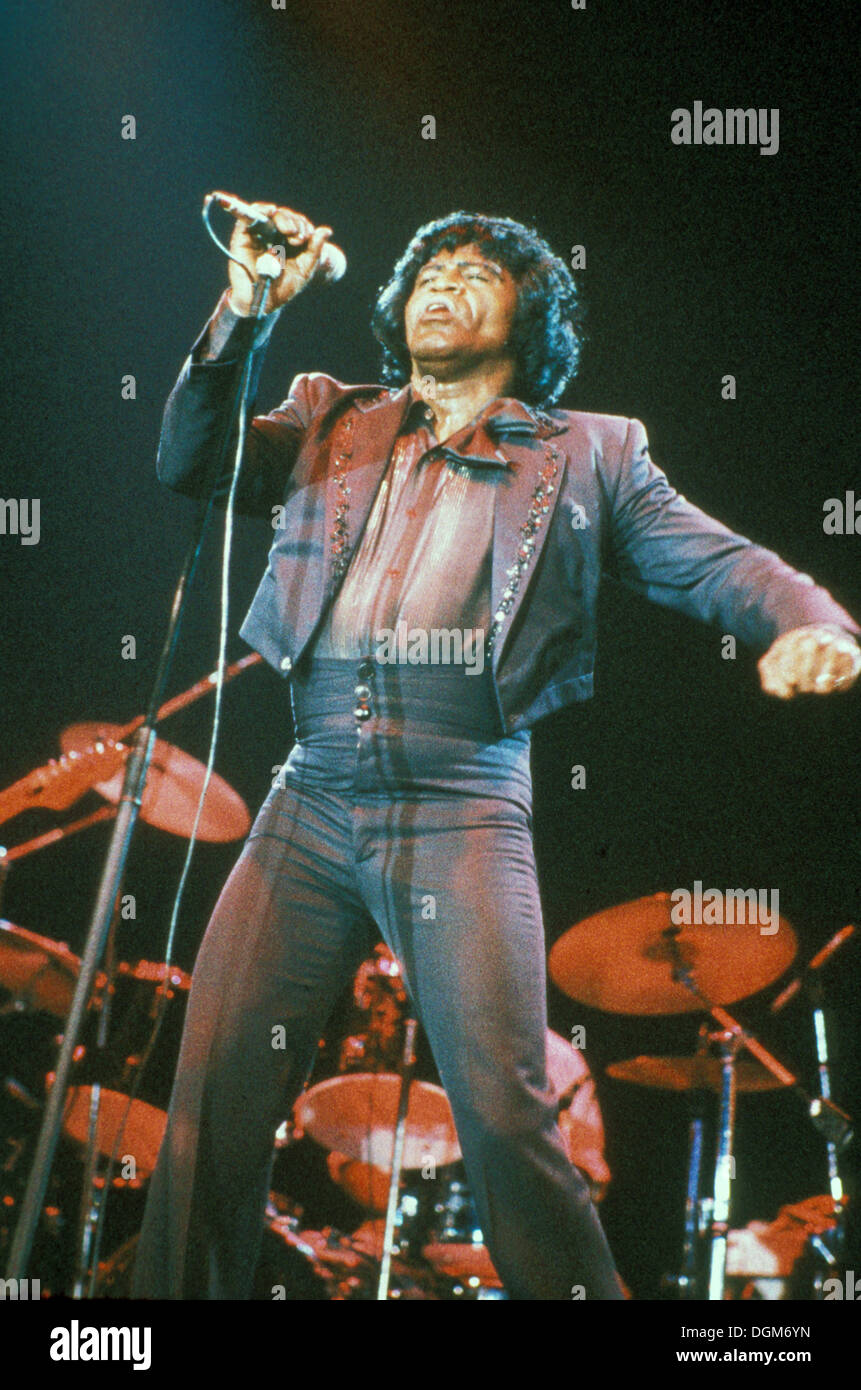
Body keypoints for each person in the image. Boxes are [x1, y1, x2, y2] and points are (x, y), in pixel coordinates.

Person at [132, 202, 860, 1300]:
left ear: (531, 317)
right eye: (428, 266)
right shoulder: (336, 418)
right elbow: (189, 456)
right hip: (312, 793)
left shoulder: (592, 455)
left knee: (509, 1118)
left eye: (477, 271)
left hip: (462, 800)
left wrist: (811, 622)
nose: (443, 281)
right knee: (210, 1102)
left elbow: (720, 563)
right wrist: (245, 307)